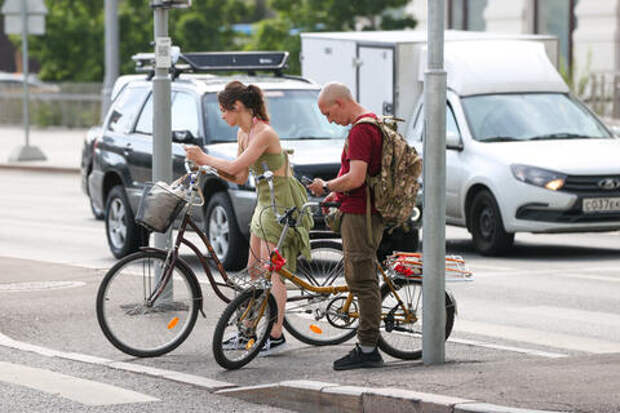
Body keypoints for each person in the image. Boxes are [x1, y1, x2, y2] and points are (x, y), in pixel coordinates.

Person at [184, 80, 313, 356]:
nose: (222, 116)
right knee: (254, 271)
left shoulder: (263, 133)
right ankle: (248, 332)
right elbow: (239, 175)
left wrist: (205, 158)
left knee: (273, 272)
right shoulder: (243, 133)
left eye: (223, 110)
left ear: (238, 106)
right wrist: (209, 170)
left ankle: (276, 335)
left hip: (281, 203)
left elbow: (234, 166)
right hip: (264, 203)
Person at [308, 81, 385, 370]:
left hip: (360, 213)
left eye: (328, 113)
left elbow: (356, 178)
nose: (330, 120)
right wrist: (335, 192)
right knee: (361, 276)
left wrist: (327, 184)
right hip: (360, 208)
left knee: (363, 281)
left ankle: (368, 349)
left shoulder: (361, 130)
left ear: (339, 103)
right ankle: (367, 345)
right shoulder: (370, 121)